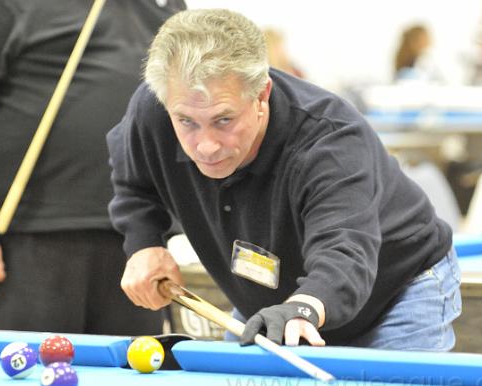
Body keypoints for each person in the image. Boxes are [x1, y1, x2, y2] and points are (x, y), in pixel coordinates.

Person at [107, 9, 461, 349]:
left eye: (224, 120)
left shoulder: (330, 142)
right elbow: (133, 180)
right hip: (273, 301)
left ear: (261, 94)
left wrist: (303, 308)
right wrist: (144, 243)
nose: (207, 145)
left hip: (395, 293)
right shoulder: (157, 107)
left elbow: (344, 252)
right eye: (187, 122)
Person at [0, 0, 185, 334]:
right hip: (21, 240)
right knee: (15, 367)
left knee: (129, 366)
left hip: (136, 243)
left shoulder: (166, 5)